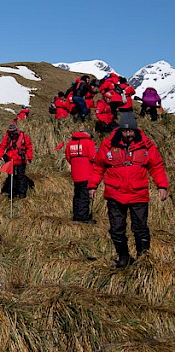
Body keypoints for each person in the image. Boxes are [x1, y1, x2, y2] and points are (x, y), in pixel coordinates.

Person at [89, 113, 169, 268]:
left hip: (138, 194)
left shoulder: (147, 145)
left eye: (131, 131)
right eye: (125, 131)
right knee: (117, 229)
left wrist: (162, 186)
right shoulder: (108, 144)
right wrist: (92, 186)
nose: (128, 134)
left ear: (135, 130)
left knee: (140, 229)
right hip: (115, 194)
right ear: (120, 130)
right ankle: (123, 258)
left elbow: (157, 166)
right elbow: (98, 166)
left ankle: (142, 259)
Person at [65, 129, 97, 223]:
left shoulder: (70, 143)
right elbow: (93, 157)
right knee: (84, 195)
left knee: (77, 195)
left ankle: (76, 215)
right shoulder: (89, 143)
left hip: (75, 173)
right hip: (86, 172)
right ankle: (83, 217)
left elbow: (68, 157)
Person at [0, 124, 34, 198]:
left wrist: (29, 157)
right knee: (11, 177)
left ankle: (21, 194)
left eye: (13, 132)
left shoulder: (23, 136)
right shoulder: (7, 137)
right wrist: (0, 155)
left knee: (21, 177)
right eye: (10, 132)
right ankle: (12, 194)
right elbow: (2, 146)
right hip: (10, 160)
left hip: (21, 160)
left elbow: (29, 147)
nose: (12, 134)